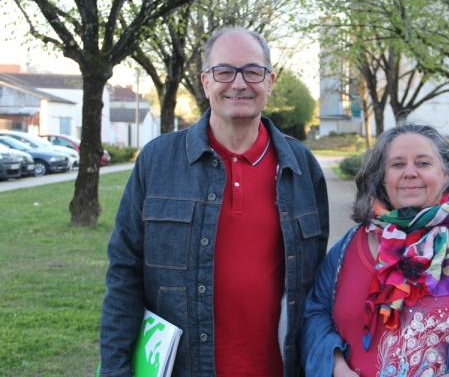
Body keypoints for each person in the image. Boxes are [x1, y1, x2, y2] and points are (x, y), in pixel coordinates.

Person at [99, 26, 329, 377]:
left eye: (253, 71)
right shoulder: (157, 161)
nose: (238, 84)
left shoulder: (302, 168)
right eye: (224, 72)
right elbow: (124, 273)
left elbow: (316, 290)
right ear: (206, 81)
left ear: (270, 81)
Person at [300, 123, 449, 377]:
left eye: (423, 163)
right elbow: (315, 313)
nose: (409, 172)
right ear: (382, 179)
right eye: (397, 164)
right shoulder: (349, 246)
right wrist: (337, 368)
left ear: (447, 174)